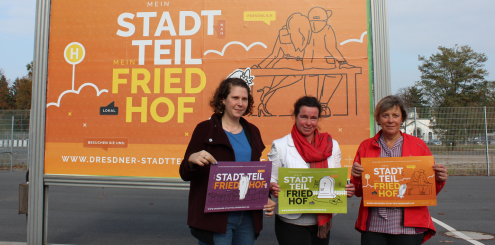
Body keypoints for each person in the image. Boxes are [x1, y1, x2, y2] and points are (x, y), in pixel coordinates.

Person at [179, 77, 276, 245]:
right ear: (223, 99)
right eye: (235, 98)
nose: (240, 103)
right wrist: (191, 159)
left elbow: (254, 173)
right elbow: (185, 173)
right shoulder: (204, 129)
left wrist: (264, 196)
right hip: (216, 218)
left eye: (244, 99)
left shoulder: (253, 131)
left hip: (247, 217)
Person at [350, 95, 448, 244]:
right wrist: (356, 177)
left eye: (395, 115)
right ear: (378, 119)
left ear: (402, 119)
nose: (391, 120)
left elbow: (428, 191)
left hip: (408, 226)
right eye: (385, 115)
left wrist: (439, 179)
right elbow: (358, 192)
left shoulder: (418, 145)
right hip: (374, 225)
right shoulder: (365, 146)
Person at [267, 96, 356, 245]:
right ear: (295, 117)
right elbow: (271, 179)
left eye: (313, 118)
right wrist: (272, 186)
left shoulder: (332, 145)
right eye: (304, 117)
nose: (309, 123)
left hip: (321, 220)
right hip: (291, 221)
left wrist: (345, 189)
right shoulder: (281, 145)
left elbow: (336, 178)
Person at [253, 13, 311, 116]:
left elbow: (275, 54)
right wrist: (261, 66)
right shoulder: (285, 34)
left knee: (274, 87)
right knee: (274, 87)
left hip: (294, 70)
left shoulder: (305, 36)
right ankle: (263, 103)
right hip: (284, 68)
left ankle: (264, 100)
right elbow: (275, 54)